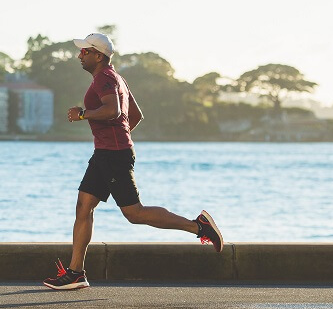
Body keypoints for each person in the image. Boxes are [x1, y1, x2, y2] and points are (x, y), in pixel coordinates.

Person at [43, 33, 223, 290]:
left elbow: (114, 111)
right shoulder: (117, 78)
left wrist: (83, 114)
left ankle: (199, 227)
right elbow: (135, 115)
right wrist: (118, 137)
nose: (79, 55)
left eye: (84, 51)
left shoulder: (105, 78)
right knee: (84, 207)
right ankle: (75, 273)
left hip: (112, 156)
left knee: (134, 213)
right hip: (107, 153)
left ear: (98, 55)